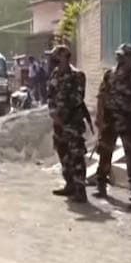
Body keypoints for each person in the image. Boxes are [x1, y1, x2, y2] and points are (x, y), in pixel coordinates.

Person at [92, 44, 131, 201]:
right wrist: (99, 116)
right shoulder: (110, 74)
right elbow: (101, 95)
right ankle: (101, 184)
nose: (119, 59)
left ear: (130, 58)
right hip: (110, 118)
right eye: (118, 56)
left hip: (129, 119)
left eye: (123, 56)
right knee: (104, 151)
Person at [47, 44, 89, 203]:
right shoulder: (54, 74)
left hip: (73, 122)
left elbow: (77, 99)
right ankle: (69, 184)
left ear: (66, 57)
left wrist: (63, 115)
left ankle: (80, 189)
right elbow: (50, 95)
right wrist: (52, 112)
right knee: (63, 154)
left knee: (76, 155)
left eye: (57, 57)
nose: (54, 61)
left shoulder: (77, 75)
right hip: (58, 123)